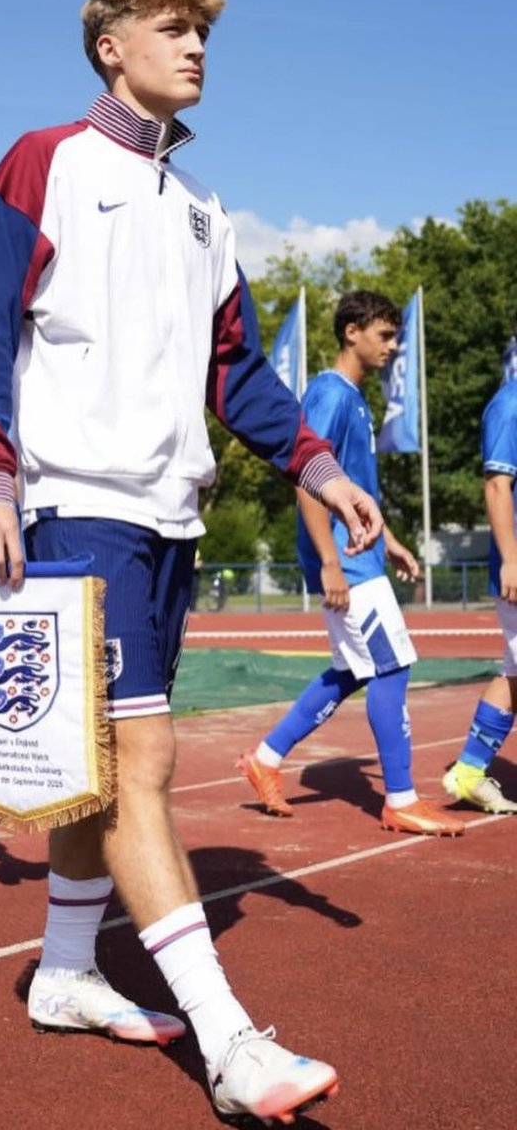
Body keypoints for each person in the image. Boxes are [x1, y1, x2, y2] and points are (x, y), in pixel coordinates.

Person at [0, 0, 383, 1125]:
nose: (194, 49)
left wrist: (319, 467)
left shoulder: (201, 212)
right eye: (173, 30)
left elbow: (233, 371)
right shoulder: (48, 162)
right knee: (144, 768)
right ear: (111, 46)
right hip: (75, 509)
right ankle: (230, 1048)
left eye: (204, 35)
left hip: (168, 516)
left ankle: (69, 972)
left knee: (99, 771)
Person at [238, 292, 466, 837]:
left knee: (352, 670)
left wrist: (389, 538)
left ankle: (265, 760)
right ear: (351, 333)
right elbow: (306, 483)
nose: (392, 346)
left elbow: (352, 486)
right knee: (391, 665)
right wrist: (330, 565)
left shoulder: (356, 401)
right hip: (346, 565)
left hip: (361, 556)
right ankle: (401, 800)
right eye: (385, 335)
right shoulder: (330, 394)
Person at [440, 379, 517, 813]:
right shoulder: (509, 405)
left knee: (513, 675)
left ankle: (469, 771)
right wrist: (510, 559)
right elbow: (496, 486)